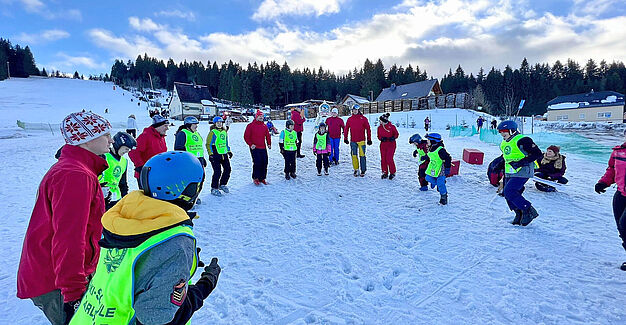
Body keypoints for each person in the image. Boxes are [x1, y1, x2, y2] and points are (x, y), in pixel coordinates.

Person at [69, 151, 221, 324]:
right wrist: (206, 284)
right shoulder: (175, 243)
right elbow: (157, 319)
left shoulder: (124, 218)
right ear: (190, 190)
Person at [17, 111, 113, 325]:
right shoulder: (75, 175)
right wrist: (73, 292)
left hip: (58, 276)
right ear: (86, 139)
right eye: (105, 134)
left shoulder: (76, 169)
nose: (111, 139)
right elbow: (69, 238)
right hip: (57, 281)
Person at [498, 120, 542, 226]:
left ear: (512, 130)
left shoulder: (523, 140)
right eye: (500, 131)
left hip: (523, 170)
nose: (502, 133)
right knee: (507, 194)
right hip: (510, 171)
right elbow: (506, 157)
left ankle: (528, 210)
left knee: (510, 191)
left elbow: (537, 153)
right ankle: (519, 213)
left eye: (504, 131)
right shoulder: (504, 143)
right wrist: (498, 166)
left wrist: (521, 162)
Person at [595, 130, 626, 271]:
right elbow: (612, 170)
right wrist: (603, 182)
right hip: (620, 194)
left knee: (624, 224)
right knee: (622, 228)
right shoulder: (618, 152)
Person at [99, 131, 136, 210]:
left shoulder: (124, 161)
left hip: (116, 200)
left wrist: (125, 199)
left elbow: (123, 183)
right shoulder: (103, 156)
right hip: (103, 199)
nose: (127, 151)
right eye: (126, 148)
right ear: (118, 144)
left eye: (129, 149)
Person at [129, 115, 169, 188]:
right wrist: (140, 166)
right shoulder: (145, 136)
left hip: (157, 173)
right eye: (165, 126)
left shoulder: (161, 137)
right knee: (147, 198)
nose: (167, 128)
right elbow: (133, 151)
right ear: (158, 126)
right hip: (146, 174)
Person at [206, 116, 233, 196]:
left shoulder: (224, 132)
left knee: (228, 169)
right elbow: (208, 144)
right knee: (217, 172)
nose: (220, 124)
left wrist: (229, 151)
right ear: (214, 124)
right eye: (218, 123)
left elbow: (226, 143)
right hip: (215, 154)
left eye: (221, 122)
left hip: (224, 154)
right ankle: (214, 188)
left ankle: (222, 184)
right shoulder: (212, 132)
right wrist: (210, 154)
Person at [244, 110, 272, 185]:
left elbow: (268, 136)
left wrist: (269, 143)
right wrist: (250, 144)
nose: (261, 118)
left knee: (264, 162)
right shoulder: (250, 125)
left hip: (263, 147)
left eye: (262, 116)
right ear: (256, 117)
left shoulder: (264, 126)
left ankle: (262, 178)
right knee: (257, 162)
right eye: (260, 116)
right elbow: (246, 136)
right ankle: (256, 177)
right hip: (254, 147)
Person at [344, 105, 372, 177]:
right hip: (353, 140)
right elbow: (346, 129)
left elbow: (368, 129)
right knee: (354, 155)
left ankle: (363, 170)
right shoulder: (350, 119)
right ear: (352, 111)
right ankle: (356, 169)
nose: (355, 111)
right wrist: (345, 138)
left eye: (356, 110)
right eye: (353, 110)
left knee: (362, 155)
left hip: (361, 140)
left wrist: (369, 139)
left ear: (358, 110)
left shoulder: (363, 118)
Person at [424, 133, 452, 205]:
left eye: (428, 140)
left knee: (440, 183)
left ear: (433, 141)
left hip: (441, 169)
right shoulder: (430, 147)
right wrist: (425, 157)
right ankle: (437, 184)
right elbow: (431, 155)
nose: (427, 141)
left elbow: (448, 158)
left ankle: (443, 197)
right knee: (428, 178)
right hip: (433, 167)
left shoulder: (440, 150)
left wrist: (447, 168)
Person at [377, 113, 399, 180]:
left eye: (381, 120)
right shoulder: (379, 128)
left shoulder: (392, 126)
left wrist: (393, 137)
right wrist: (381, 138)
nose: (380, 122)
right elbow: (379, 136)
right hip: (383, 145)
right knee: (383, 159)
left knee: (389, 158)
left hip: (391, 144)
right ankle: (384, 172)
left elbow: (396, 134)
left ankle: (392, 172)